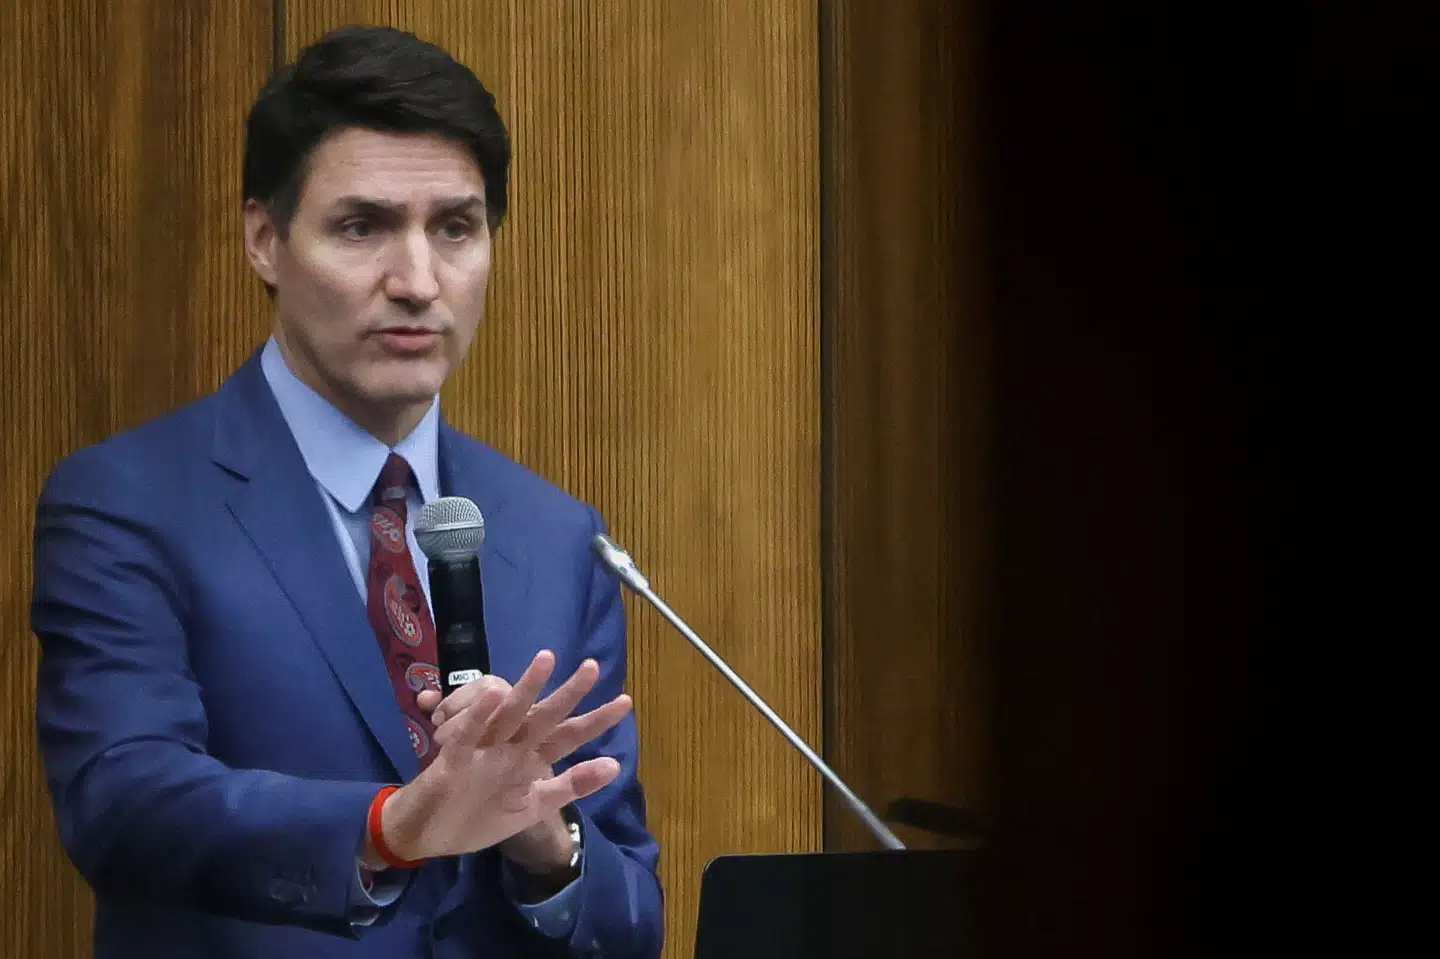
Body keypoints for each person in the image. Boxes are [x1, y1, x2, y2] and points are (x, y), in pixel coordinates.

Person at [29, 24, 663, 959]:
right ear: (265, 242)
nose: (416, 281)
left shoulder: (560, 535)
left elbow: (629, 914)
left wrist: (544, 839)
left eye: (455, 227)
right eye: (362, 226)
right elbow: (123, 801)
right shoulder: (129, 501)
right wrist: (394, 824)